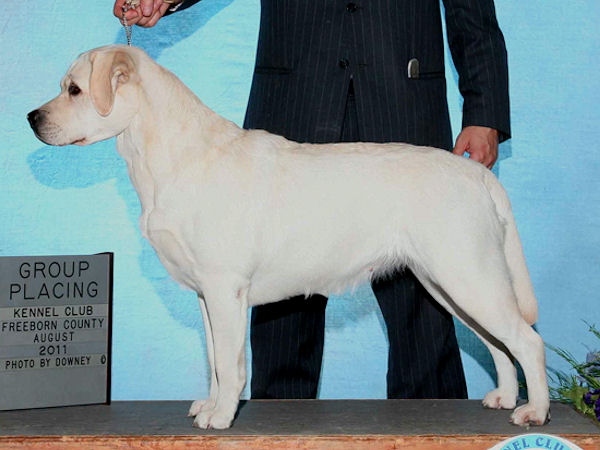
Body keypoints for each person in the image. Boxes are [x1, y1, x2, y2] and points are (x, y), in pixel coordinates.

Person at [114, 0, 509, 400]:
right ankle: (277, 437)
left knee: (423, 314)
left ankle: (435, 438)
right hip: (293, 99)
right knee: (282, 322)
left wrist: (484, 110)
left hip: (403, 98)